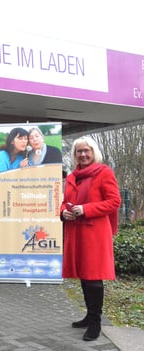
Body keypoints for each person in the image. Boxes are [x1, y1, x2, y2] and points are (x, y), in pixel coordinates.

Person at [61, 136, 121, 341]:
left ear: (94, 152)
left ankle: (96, 322)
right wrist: (63, 213)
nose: (83, 154)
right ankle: (89, 315)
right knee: (84, 276)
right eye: (79, 151)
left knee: (94, 277)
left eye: (86, 150)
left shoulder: (104, 173)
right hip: (76, 232)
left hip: (95, 234)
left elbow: (114, 201)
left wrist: (86, 209)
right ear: (74, 154)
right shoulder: (72, 176)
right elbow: (65, 202)